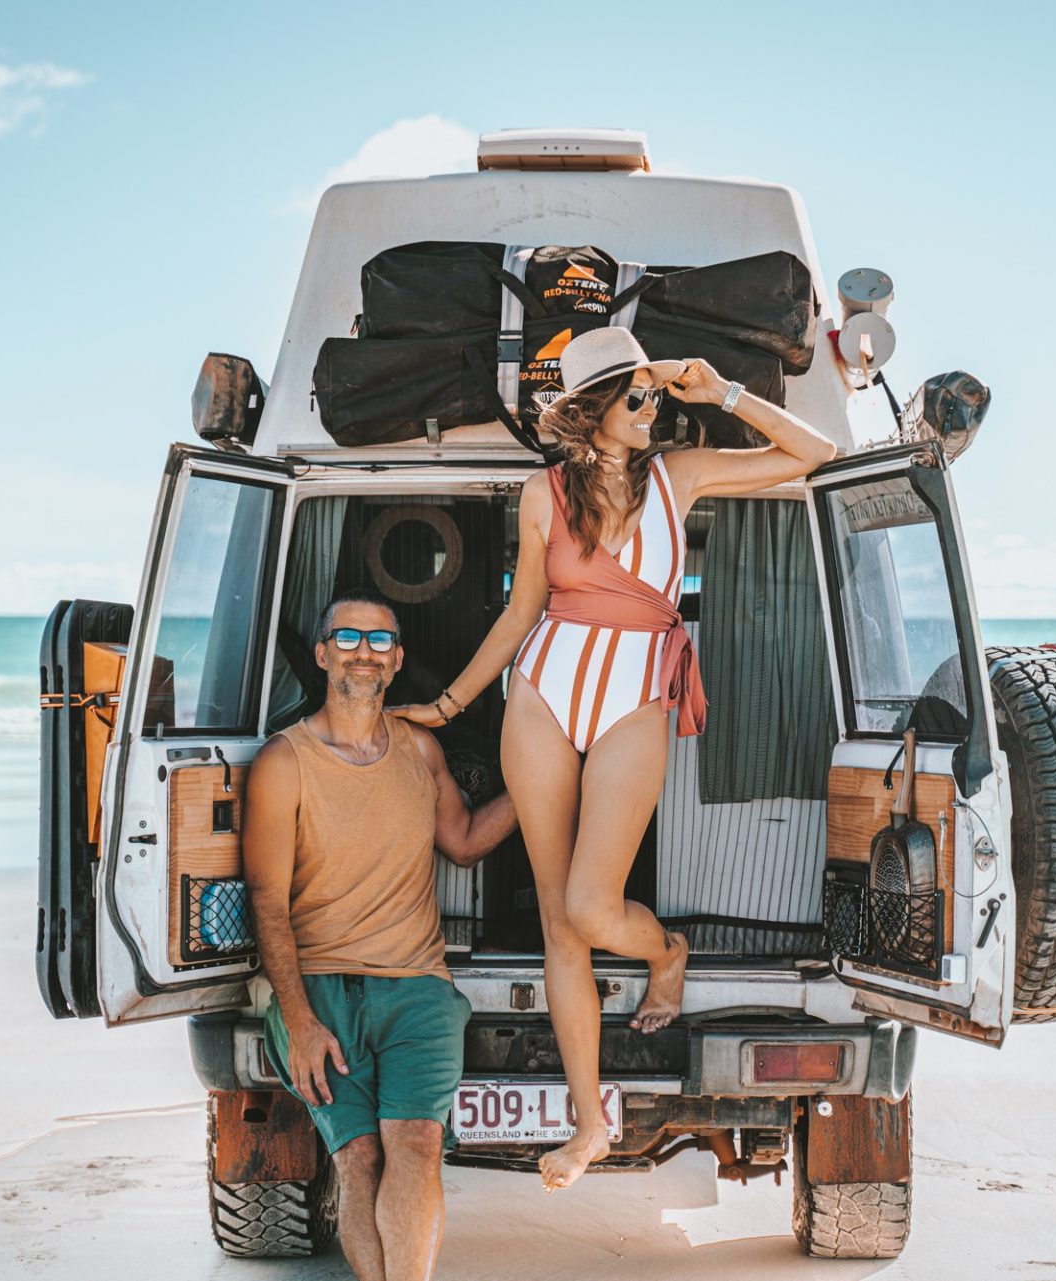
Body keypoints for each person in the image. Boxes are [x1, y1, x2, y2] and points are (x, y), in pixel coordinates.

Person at [393, 328, 838, 1190]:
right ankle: (587, 1123)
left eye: (651, 393)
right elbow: (521, 612)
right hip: (542, 695)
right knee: (561, 922)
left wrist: (719, 392)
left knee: (595, 908)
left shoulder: (684, 474)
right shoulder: (542, 493)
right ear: (592, 411)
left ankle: (664, 953)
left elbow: (819, 453)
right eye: (635, 395)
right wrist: (448, 706)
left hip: (637, 697)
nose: (652, 407)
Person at [244, 592, 517, 1281]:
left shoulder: (421, 750)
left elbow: (462, 841)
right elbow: (268, 902)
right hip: (322, 993)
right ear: (321, 652)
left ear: (396, 662)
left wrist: (547, 782)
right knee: (358, 1159)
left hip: (418, 987)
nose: (363, 650)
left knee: (420, 1143)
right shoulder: (285, 761)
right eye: (347, 636)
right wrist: (298, 1020)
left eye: (379, 640)